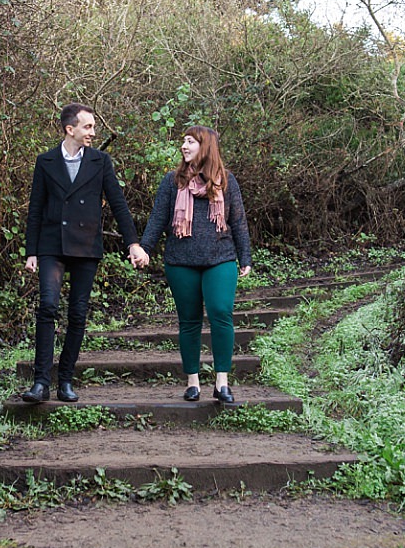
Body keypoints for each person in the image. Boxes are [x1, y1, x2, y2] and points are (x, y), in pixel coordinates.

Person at [20, 103, 149, 403]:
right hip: (52, 243)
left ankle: (65, 379)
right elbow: (35, 209)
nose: (93, 132)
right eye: (88, 127)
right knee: (48, 306)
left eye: (92, 127)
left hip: (86, 245)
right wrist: (31, 251)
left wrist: (133, 243)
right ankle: (41, 382)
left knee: (78, 313)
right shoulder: (46, 161)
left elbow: (117, 203)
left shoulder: (100, 161)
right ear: (70, 129)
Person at [138, 125, 251, 404]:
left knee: (221, 313)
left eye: (190, 142)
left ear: (206, 146)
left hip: (220, 258)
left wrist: (245, 257)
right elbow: (158, 218)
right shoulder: (172, 181)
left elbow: (238, 220)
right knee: (189, 320)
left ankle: (222, 382)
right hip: (181, 260)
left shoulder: (226, 181)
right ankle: (192, 382)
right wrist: (144, 248)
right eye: (184, 142)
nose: (184, 146)